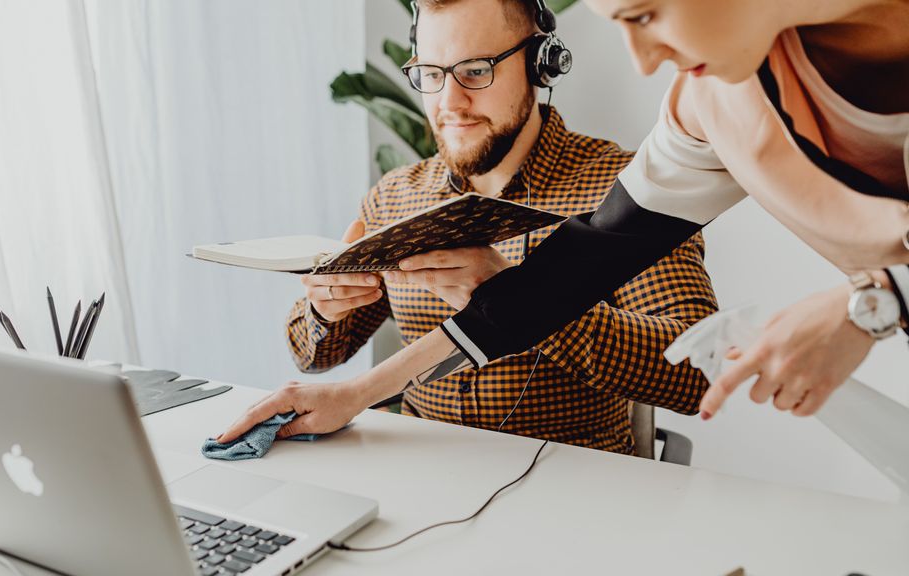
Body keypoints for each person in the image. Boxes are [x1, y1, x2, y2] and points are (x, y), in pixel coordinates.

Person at [217, 0, 908, 442]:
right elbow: (562, 278)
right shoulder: (708, 106)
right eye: (430, 73)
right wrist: (353, 389)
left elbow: (686, 370)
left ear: (540, 67)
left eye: (644, 14)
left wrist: (868, 304)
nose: (642, 60)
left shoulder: (614, 163)